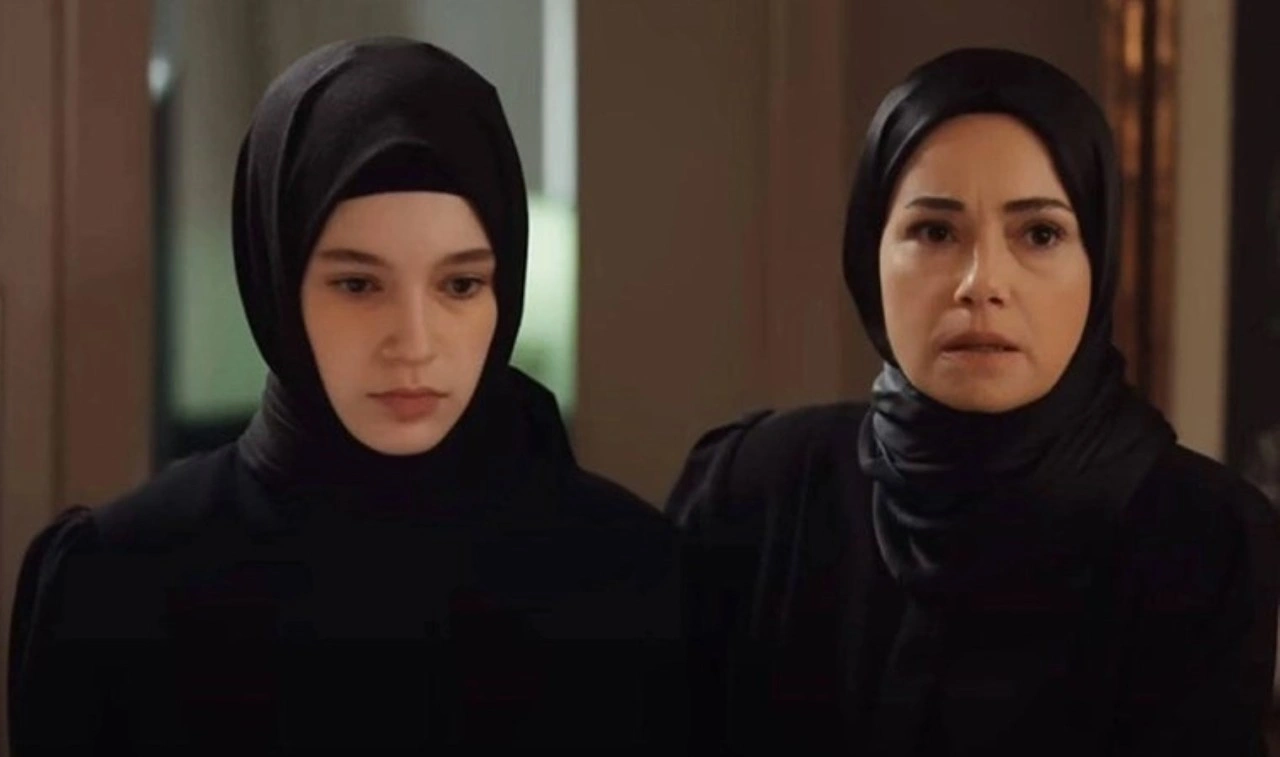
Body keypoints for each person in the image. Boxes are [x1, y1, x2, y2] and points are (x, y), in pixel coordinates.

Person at [10, 37, 680, 754]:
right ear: (277, 282)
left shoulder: (630, 576)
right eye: (358, 285)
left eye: (461, 284)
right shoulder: (119, 585)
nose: (413, 343)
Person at [669, 48, 1279, 756]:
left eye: (1040, 234)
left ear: (1099, 261)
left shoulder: (1202, 537)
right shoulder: (754, 489)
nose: (981, 282)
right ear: (870, 254)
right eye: (935, 232)